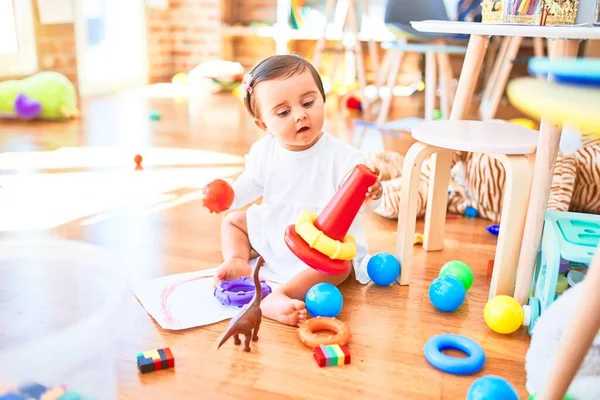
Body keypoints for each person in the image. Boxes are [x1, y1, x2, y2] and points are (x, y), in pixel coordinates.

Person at [211, 54, 382, 327]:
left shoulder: (345, 157)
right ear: (264, 125)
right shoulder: (265, 150)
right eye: (283, 112)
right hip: (279, 227)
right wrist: (228, 197)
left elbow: (358, 206)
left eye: (308, 103)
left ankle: (280, 295)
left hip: (321, 244)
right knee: (233, 221)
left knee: (339, 270)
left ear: (323, 99)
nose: (300, 114)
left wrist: (371, 193)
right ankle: (237, 260)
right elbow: (249, 184)